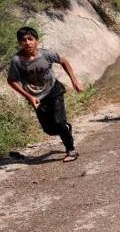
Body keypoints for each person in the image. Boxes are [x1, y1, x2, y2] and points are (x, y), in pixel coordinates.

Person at [6, 27, 83, 162]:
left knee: (59, 122)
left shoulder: (46, 54)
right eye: (23, 40)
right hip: (37, 98)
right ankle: (66, 129)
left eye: (30, 39)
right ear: (19, 43)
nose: (27, 42)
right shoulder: (17, 61)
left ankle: (71, 150)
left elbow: (63, 61)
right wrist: (29, 97)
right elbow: (11, 80)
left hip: (54, 90)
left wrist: (74, 81)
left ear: (37, 41)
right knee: (49, 130)